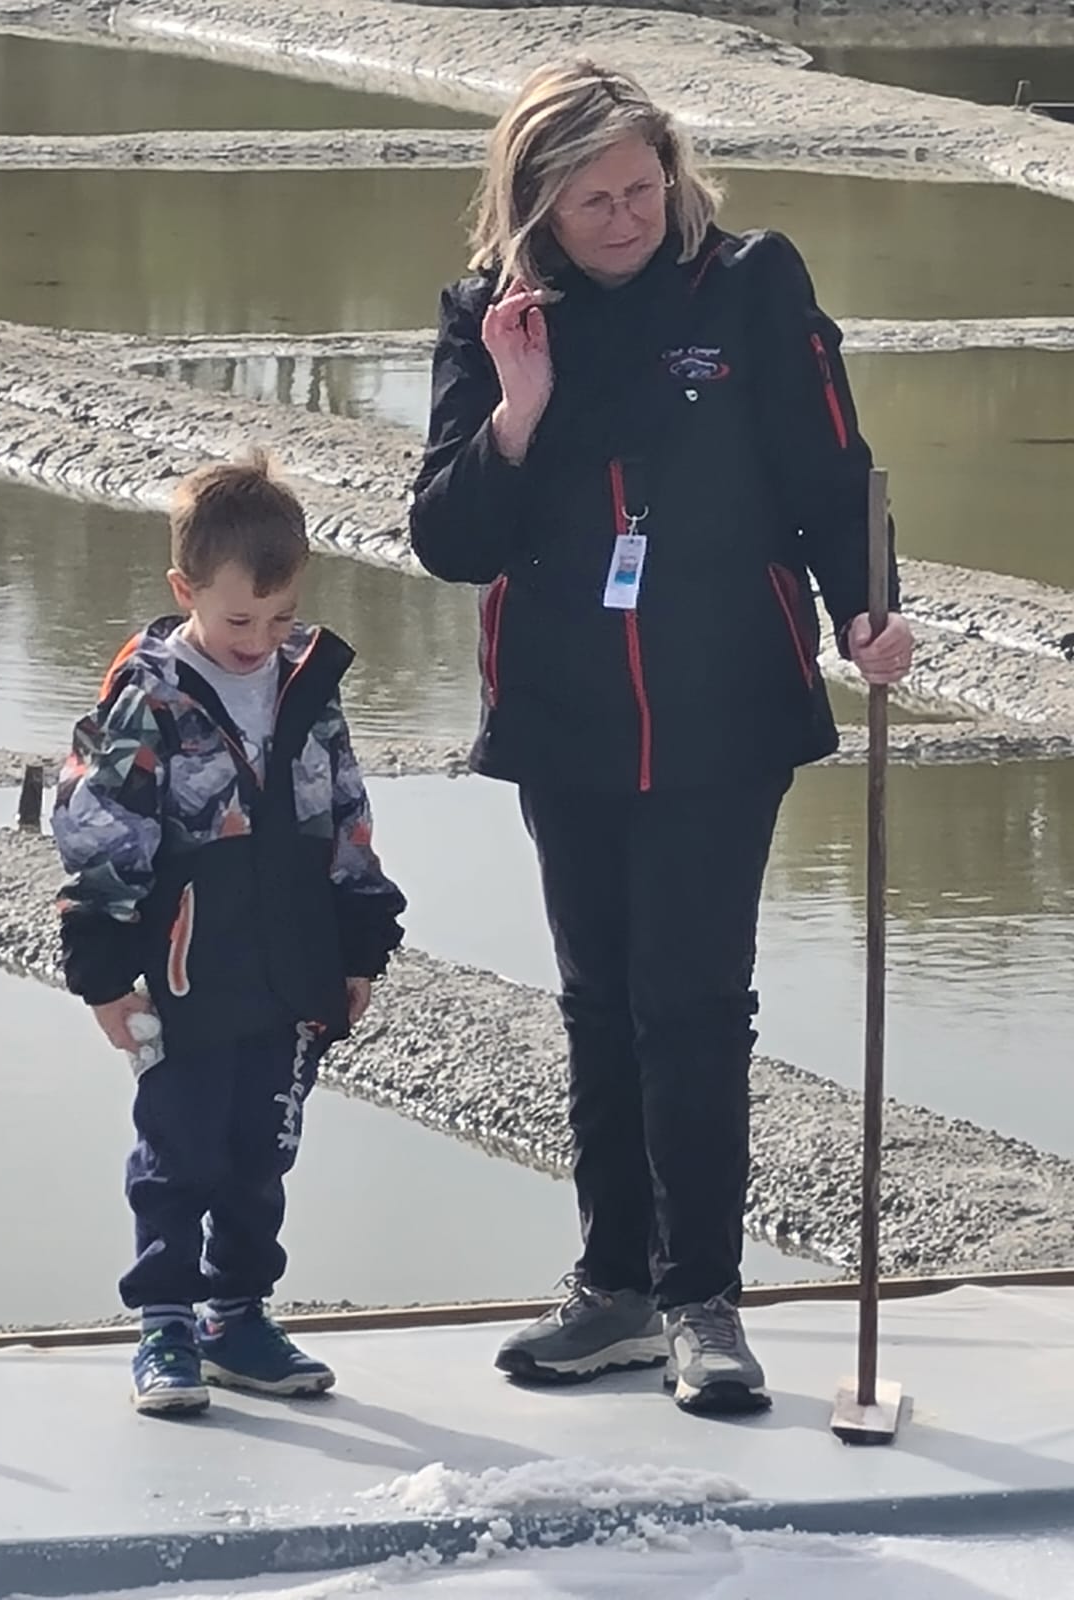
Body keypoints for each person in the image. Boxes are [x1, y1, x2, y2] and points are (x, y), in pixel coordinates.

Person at [410, 61, 913, 1415]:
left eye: (646, 187)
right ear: (537, 203)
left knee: (691, 1002)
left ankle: (705, 1299)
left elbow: (829, 471)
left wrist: (870, 611)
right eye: (595, 200)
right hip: (564, 712)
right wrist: (516, 408)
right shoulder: (489, 319)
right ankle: (613, 1288)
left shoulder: (751, 282)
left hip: (722, 704)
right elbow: (451, 539)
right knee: (597, 1002)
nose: (630, 216)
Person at [53, 454, 406, 1416]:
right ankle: (165, 1321)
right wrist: (102, 971)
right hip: (182, 968)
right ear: (186, 591)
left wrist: (359, 943)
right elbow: (102, 831)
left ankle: (237, 1317)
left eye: (281, 617)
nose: (262, 640)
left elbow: (345, 813)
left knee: (263, 1149)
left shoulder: (309, 686)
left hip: (291, 964)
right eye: (240, 620)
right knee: (181, 1147)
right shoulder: (149, 698)